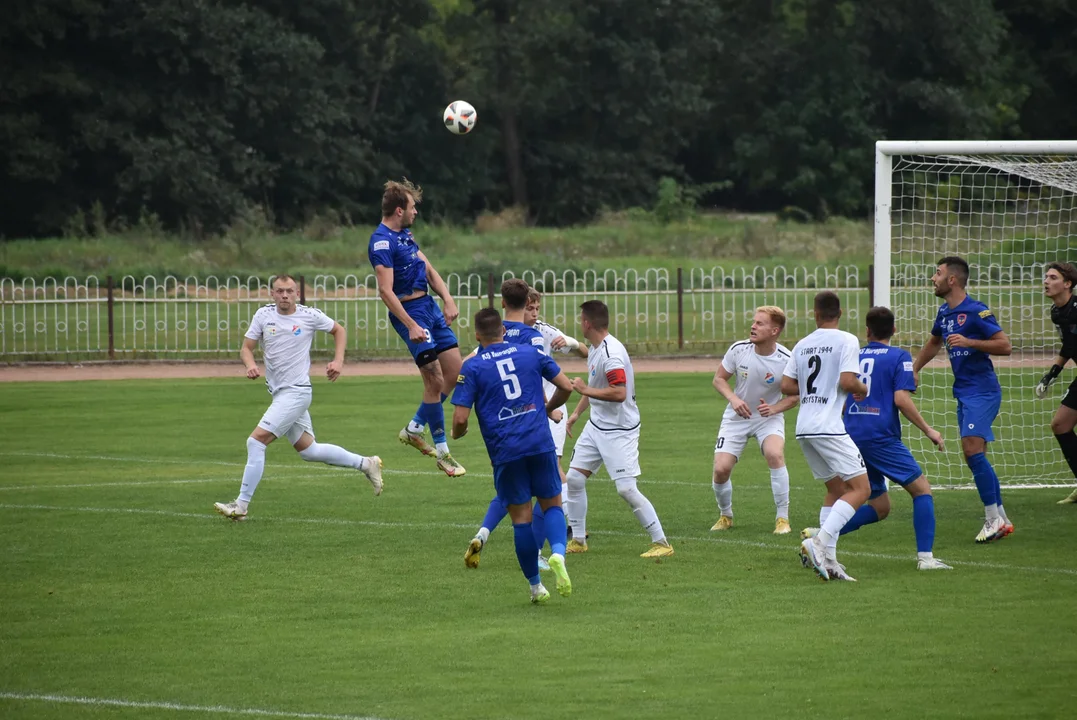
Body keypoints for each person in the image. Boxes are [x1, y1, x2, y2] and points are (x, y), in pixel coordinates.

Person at [214, 275, 382, 520]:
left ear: (296, 294)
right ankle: (366, 463)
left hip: (297, 392)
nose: (285, 295)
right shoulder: (263, 315)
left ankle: (240, 506)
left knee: (256, 442)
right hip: (280, 393)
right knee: (309, 451)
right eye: (280, 291)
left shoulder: (309, 315)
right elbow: (246, 348)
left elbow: (339, 330)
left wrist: (338, 361)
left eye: (289, 291)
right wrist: (250, 365)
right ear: (272, 294)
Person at [802, 306, 952, 570]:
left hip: (849, 433)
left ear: (867, 331)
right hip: (880, 437)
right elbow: (901, 399)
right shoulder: (899, 357)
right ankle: (926, 559)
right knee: (922, 491)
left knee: (879, 505)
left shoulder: (853, 354)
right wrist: (929, 430)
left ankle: (820, 537)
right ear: (894, 330)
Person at [451, 308, 576, 604]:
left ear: (477, 336)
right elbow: (567, 386)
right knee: (553, 505)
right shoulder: (528, 353)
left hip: (506, 450)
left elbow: (459, 419)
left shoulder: (472, 367)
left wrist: (458, 434)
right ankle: (558, 553)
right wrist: (548, 408)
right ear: (503, 331)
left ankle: (536, 588)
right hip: (539, 441)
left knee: (520, 519)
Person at [912, 256, 1013, 542]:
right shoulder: (944, 313)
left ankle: (992, 519)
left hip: (983, 391)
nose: (933, 278)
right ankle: (1001, 518)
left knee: (971, 450)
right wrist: (915, 369)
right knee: (975, 456)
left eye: (938, 272)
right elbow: (933, 342)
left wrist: (970, 342)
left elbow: (1005, 345)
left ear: (952, 280)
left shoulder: (976, 311)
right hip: (965, 392)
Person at [368, 179, 465, 477]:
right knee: (434, 379)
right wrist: (410, 325)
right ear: (399, 210)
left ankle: (413, 428)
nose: (416, 213)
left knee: (455, 372)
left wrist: (447, 299)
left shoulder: (406, 236)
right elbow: (386, 291)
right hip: (409, 313)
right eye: (413, 208)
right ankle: (444, 454)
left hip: (430, 308)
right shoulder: (381, 242)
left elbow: (429, 269)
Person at [564, 300, 674, 558]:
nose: (580, 323)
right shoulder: (595, 348)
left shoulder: (611, 354)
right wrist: (577, 414)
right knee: (575, 479)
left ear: (588, 323)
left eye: (581, 319)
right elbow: (595, 385)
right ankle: (578, 540)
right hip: (596, 426)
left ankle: (662, 543)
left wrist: (584, 390)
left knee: (626, 488)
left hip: (620, 431)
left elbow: (619, 393)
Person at [464, 279, 551, 570]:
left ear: (502, 303)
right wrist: (549, 410)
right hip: (535, 416)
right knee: (550, 488)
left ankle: (483, 533)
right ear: (527, 302)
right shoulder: (531, 336)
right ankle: (540, 554)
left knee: (511, 491)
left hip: (502, 423)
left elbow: (472, 362)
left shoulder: (495, 335)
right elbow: (541, 374)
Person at [782, 291, 868, 582]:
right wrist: (862, 388)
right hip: (829, 426)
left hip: (804, 427)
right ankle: (818, 543)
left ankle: (829, 559)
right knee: (861, 489)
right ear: (840, 313)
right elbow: (847, 380)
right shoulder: (847, 339)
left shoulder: (802, 344)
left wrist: (814, 390)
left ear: (815, 314)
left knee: (836, 489)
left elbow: (786, 385)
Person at [710, 306, 798, 534]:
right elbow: (719, 379)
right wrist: (733, 399)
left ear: (774, 330)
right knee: (721, 469)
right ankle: (725, 515)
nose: (753, 326)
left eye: (760, 323)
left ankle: (782, 519)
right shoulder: (739, 350)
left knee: (774, 454)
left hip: (768, 417)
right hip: (736, 417)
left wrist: (775, 408)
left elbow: (796, 395)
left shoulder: (787, 360)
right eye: (754, 321)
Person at [1036, 262, 1077, 504]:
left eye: (1052, 277)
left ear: (1068, 284)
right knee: (1060, 425)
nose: (1046, 281)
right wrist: (1051, 375)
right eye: (1046, 277)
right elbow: (1069, 346)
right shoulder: (1057, 312)